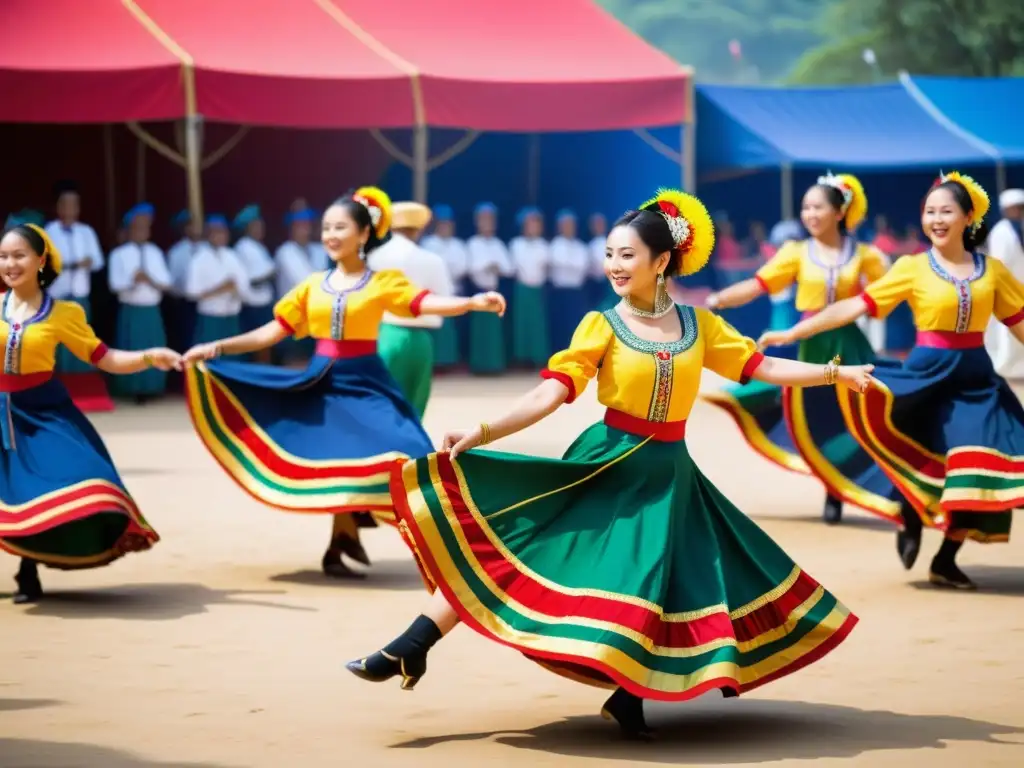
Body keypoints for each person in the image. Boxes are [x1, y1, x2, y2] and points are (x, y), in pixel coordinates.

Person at [346, 188, 870, 739]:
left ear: (661, 262)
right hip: (606, 465)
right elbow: (548, 394)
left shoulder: (700, 326)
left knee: (671, 584)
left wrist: (837, 374)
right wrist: (482, 431)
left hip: (671, 476)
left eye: (627, 255)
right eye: (610, 255)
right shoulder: (600, 325)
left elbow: (762, 367)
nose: (615, 266)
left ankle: (628, 696)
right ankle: (412, 644)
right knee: (521, 547)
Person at [181, 191, 506, 578]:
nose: (331, 235)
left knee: (409, 450)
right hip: (322, 379)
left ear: (364, 233)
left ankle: (436, 544)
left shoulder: (384, 282)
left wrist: (471, 302)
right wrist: (216, 347)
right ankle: (343, 536)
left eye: (340, 227)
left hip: (367, 379)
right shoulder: (313, 285)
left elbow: (424, 303)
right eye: (326, 228)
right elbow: (273, 331)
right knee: (338, 453)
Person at [759, 172, 1024, 590]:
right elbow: (854, 306)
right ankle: (910, 515)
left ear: (968, 216)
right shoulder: (912, 267)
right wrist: (793, 333)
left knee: (982, 465)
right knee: (918, 454)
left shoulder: (991, 272)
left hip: (975, 380)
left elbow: (1019, 323)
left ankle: (946, 559)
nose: (936, 219)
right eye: (929, 212)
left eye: (946, 211)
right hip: (926, 376)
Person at [702, 174, 899, 525]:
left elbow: (885, 296)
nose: (809, 214)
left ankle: (854, 489)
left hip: (847, 342)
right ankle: (832, 487)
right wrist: (717, 299)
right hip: (810, 343)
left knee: (855, 417)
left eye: (817, 206)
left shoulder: (866, 256)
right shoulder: (796, 253)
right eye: (805, 207)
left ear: (839, 212)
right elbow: (757, 284)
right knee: (814, 415)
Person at [0, 223, 180, 603]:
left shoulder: (64, 312)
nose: (10, 264)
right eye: (3, 257)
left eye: (19, 255)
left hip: (41, 411)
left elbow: (106, 358)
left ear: (40, 260)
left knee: (67, 481)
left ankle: (28, 568)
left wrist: (149, 356)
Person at [369, 198, 455, 418]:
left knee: (380, 399)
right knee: (415, 405)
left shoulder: (372, 258)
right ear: (419, 229)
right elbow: (444, 301)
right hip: (420, 338)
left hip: (383, 333)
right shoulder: (431, 259)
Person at [107, 204, 173, 402]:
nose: (142, 231)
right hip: (131, 309)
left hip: (151, 309)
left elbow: (166, 282)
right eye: (138, 227)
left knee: (153, 346)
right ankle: (133, 388)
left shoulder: (155, 252)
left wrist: (149, 279)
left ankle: (153, 387)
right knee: (132, 348)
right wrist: (132, 280)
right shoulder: (119, 254)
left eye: (146, 227)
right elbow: (114, 284)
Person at [44, 182, 105, 375]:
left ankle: (83, 378)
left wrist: (87, 263)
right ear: (58, 207)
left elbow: (98, 261)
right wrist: (70, 265)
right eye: (66, 204)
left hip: (79, 294)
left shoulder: (86, 232)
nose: (70, 209)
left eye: (74, 204)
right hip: (58, 296)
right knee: (58, 340)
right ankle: (61, 378)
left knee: (80, 337)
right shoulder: (48, 231)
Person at [186, 214, 251, 354]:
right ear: (209, 234)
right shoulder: (199, 259)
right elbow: (191, 292)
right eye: (217, 232)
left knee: (232, 359)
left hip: (231, 317)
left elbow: (244, 285)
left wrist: (235, 288)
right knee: (210, 360)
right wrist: (221, 288)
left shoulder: (232, 256)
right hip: (211, 319)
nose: (221, 235)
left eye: (223, 232)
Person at [420, 205, 468, 370]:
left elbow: (462, 267)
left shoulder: (458, 244)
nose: (446, 227)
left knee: (452, 331)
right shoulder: (428, 243)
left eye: (448, 224)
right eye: (442, 224)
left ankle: (450, 361)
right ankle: (435, 363)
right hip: (434, 294)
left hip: (453, 291)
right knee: (436, 329)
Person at [466, 203, 512, 375]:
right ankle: (479, 365)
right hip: (478, 291)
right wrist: (487, 265)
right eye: (484, 219)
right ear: (477, 222)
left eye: (491, 220)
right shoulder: (472, 243)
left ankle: (494, 365)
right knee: (479, 331)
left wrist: (497, 266)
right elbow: (470, 267)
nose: (488, 223)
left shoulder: (498, 244)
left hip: (495, 291)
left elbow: (509, 268)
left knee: (494, 332)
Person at [984, 189, 1024, 378]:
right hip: (1006, 287)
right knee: (1007, 329)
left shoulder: (1020, 228)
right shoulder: (1001, 231)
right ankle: (1006, 369)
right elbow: (999, 262)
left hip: (1020, 287)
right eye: (1014, 208)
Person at [274, 208, 319, 365]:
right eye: (300, 226)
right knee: (294, 361)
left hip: (314, 315)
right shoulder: (285, 251)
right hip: (293, 316)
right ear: (292, 229)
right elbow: (304, 280)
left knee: (313, 361)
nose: (305, 230)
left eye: (307, 225)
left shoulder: (318, 249)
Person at [232, 205, 276, 364]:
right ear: (248, 228)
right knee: (258, 348)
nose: (260, 229)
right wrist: (271, 275)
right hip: (253, 306)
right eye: (257, 226)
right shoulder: (243, 247)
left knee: (266, 346)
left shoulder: (257, 246)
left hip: (264, 304)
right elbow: (251, 281)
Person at [508, 207, 551, 368]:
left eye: (537, 224)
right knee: (522, 324)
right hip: (522, 289)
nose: (533, 227)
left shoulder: (544, 245)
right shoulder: (516, 244)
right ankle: (522, 358)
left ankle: (538, 357)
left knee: (537, 325)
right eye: (530, 224)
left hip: (538, 290)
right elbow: (511, 268)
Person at [548, 209, 590, 351]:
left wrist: (570, 265)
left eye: (571, 224)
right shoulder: (554, 245)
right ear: (559, 227)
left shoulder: (581, 246)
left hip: (576, 293)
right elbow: (558, 263)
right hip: (560, 292)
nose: (569, 227)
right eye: (565, 224)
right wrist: (572, 265)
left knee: (576, 327)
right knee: (560, 327)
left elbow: (583, 266)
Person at [166, 210, 202, 355]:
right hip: (184, 303)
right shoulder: (176, 252)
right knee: (187, 340)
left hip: (205, 302)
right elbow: (171, 282)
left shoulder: (205, 248)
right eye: (189, 226)